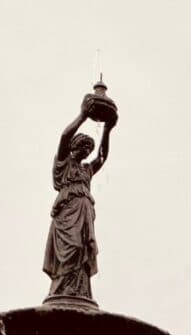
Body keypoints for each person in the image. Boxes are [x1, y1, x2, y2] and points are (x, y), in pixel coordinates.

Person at [43, 96, 116, 299]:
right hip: (67, 215)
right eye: (83, 148)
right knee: (72, 248)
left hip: (84, 215)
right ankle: (61, 291)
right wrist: (83, 115)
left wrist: (108, 130)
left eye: (88, 150)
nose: (86, 152)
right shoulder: (63, 164)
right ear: (74, 147)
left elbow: (102, 157)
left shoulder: (86, 170)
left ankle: (79, 291)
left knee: (82, 251)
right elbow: (64, 136)